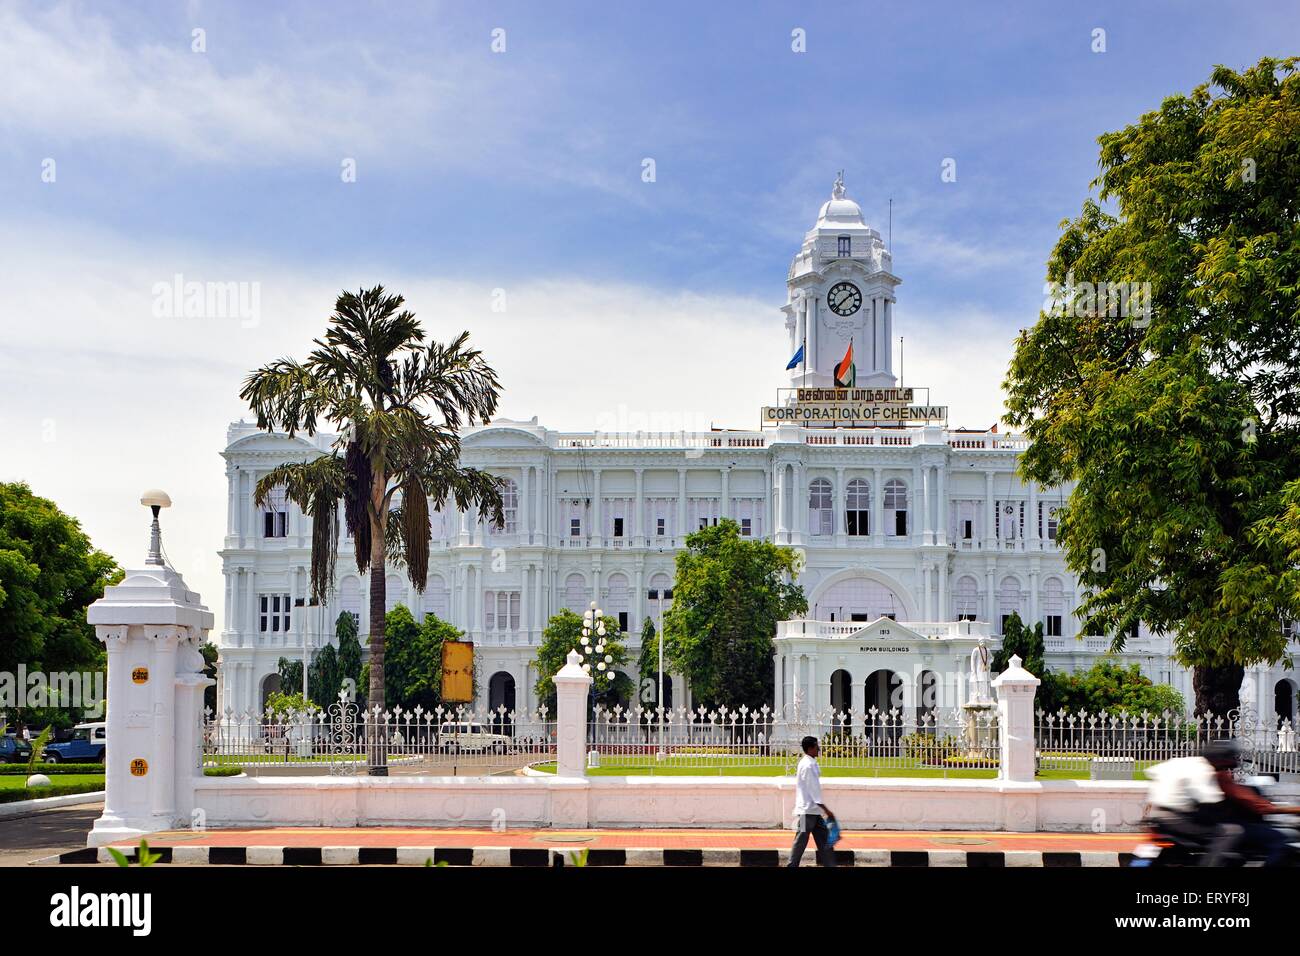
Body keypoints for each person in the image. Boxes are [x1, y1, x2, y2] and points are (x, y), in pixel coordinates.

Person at [1201, 739, 1300, 866]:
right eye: (1231, 756)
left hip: (1223, 822)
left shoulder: (1210, 775)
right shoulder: (1220, 776)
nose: (1235, 760)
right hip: (1231, 825)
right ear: (1222, 758)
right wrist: (1292, 810)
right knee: (1280, 840)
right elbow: (1258, 805)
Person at [788, 735, 837, 867]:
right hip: (806, 812)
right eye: (816, 746)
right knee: (801, 841)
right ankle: (792, 865)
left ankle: (830, 865)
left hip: (813, 812)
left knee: (824, 839)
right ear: (810, 748)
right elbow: (814, 791)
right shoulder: (808, 765)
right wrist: (827, 810)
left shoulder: (809, 763)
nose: (819, 749)